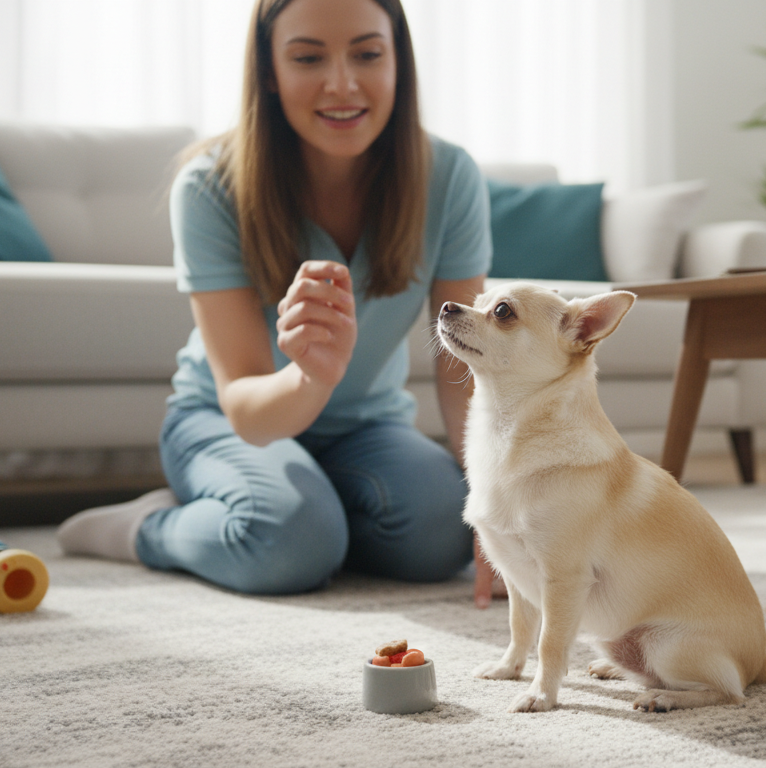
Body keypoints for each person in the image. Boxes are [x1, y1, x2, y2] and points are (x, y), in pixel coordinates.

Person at [57, 0, 505, 607]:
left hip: (365, 427)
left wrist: (493, 502)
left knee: (441, 536)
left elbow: (463, 366)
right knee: (292, 544)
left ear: (398, 60)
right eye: (308, 57)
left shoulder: (448, 176)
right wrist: (309, 376)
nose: (342, 84)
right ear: (269, 70)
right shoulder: (210, 186)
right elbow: (241, 401)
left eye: (368, 54)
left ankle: (293, 507)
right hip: (225, 420)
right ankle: (147, 528)